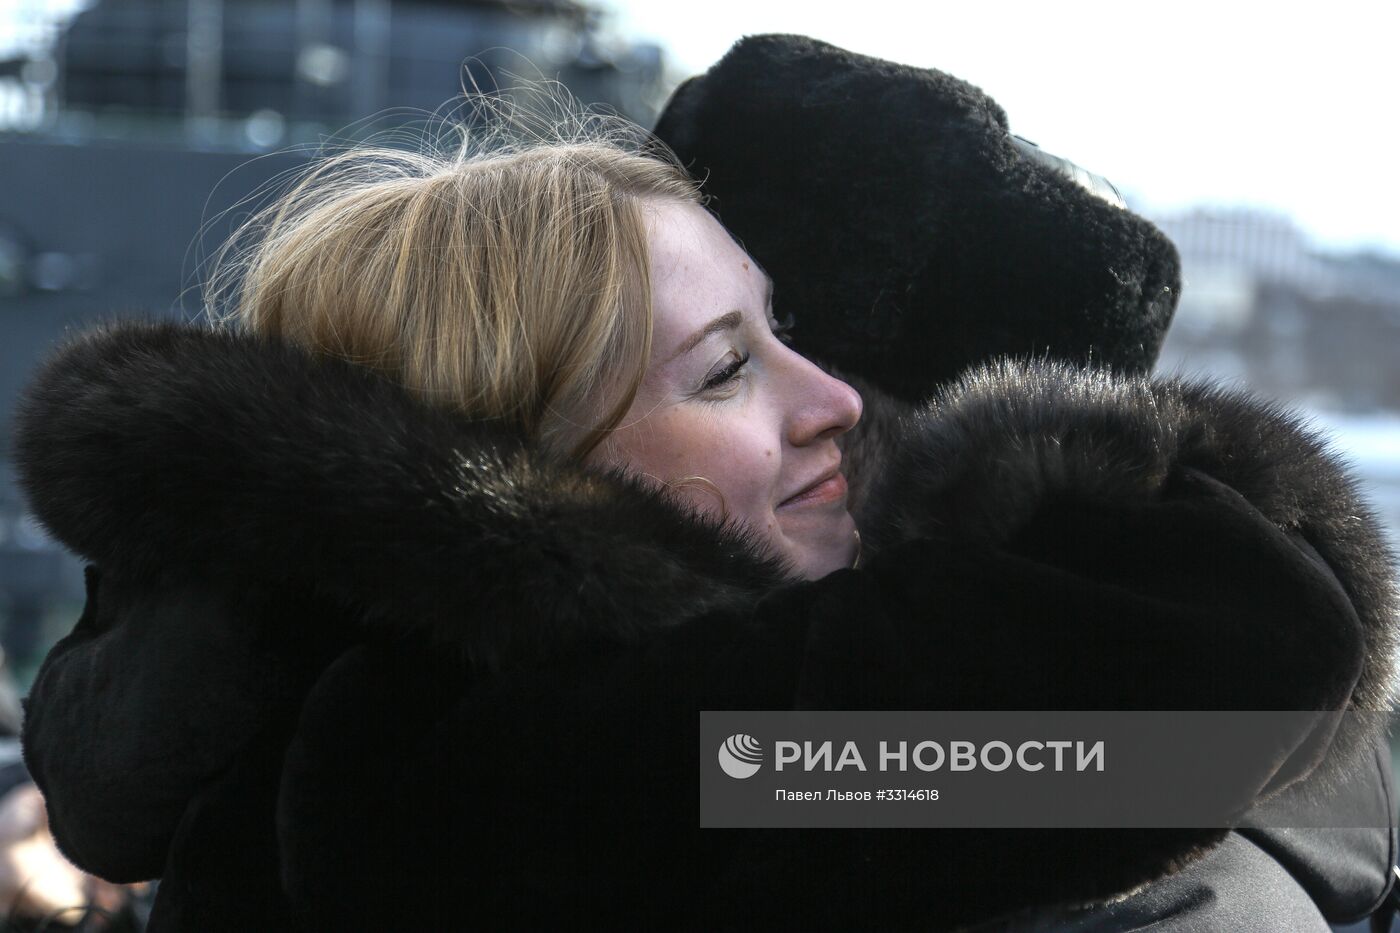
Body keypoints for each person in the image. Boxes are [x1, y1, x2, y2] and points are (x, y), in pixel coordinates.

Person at [14, 65, 1398, 933]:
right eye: (728, 366)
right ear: (529, 478)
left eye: (783, 327)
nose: (837, 399)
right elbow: (1223, 670)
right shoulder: (546, 784)